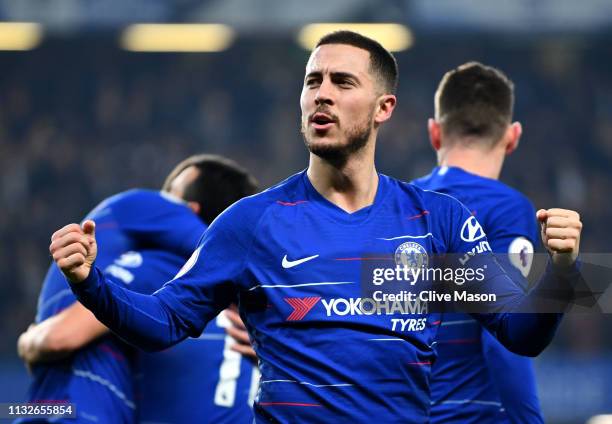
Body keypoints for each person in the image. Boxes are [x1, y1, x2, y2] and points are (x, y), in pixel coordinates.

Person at [49, 31, 583, 422]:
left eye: (342, 81)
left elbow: (520, 334)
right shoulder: (252, 222)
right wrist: (89, 283)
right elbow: (164, 321)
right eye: (312, 82)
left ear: (383, 108)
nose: (321, 93)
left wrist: (560, 272)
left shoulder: (439, 220)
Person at [17, 154, 259, 423]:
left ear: (189, 209)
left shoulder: (161, 264)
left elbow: (59, 338)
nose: (163, 196)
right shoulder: (241, 310)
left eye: (171, 192)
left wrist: (27, 342)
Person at [413, 62, 543, 423]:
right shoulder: (506, 209)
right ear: (512, 136)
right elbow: (505, 337)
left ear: (434, 133)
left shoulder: (396, 206)